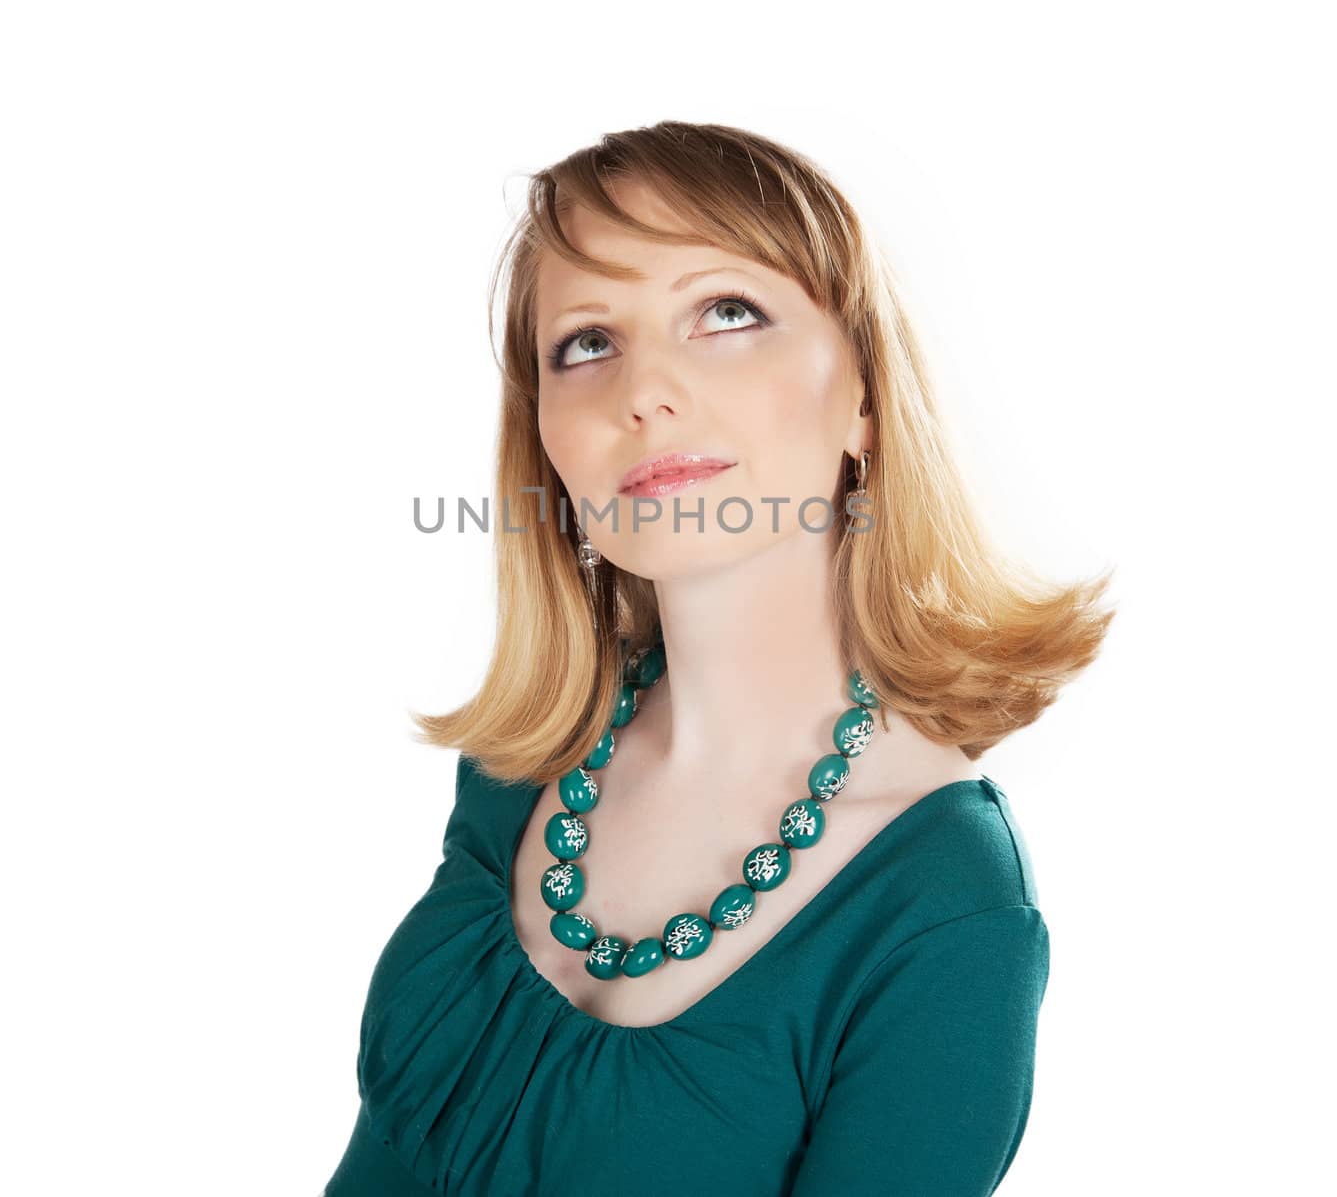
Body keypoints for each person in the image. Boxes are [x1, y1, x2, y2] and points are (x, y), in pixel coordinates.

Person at [320, 120, 1114, 1195]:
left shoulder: (945, 911)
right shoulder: (519, 768)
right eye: (586, 342)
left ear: (865, 399)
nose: (642, 390)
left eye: (726, 313)